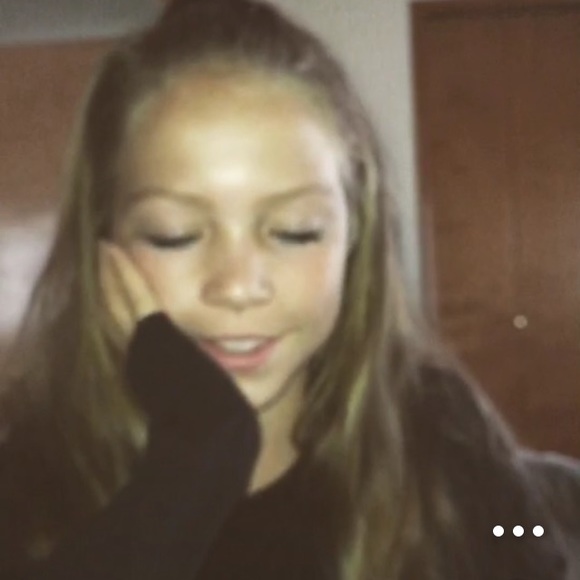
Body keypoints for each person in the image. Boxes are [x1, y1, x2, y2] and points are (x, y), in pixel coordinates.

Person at [0, 0, 579, 579]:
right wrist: (189, 468)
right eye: (174, 235)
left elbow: (519, 540)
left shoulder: (435, 428)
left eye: (294, 231)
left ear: (354, 234)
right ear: (101, 242)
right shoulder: (27, 480)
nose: (238, 287)